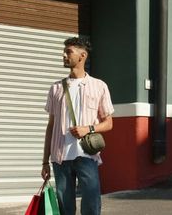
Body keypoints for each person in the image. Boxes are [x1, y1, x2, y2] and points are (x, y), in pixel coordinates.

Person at [41, 37, 114, 215]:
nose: (64, 55)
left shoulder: (99, 86)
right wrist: (44, 161)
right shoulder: (56, 88)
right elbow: (51, 126)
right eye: (64, 52)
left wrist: (87, 129)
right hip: (60, 158)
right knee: (65, 209)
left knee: (91, 206)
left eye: (68, 52)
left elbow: (108, 123)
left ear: (82, 56)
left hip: (87, 156)